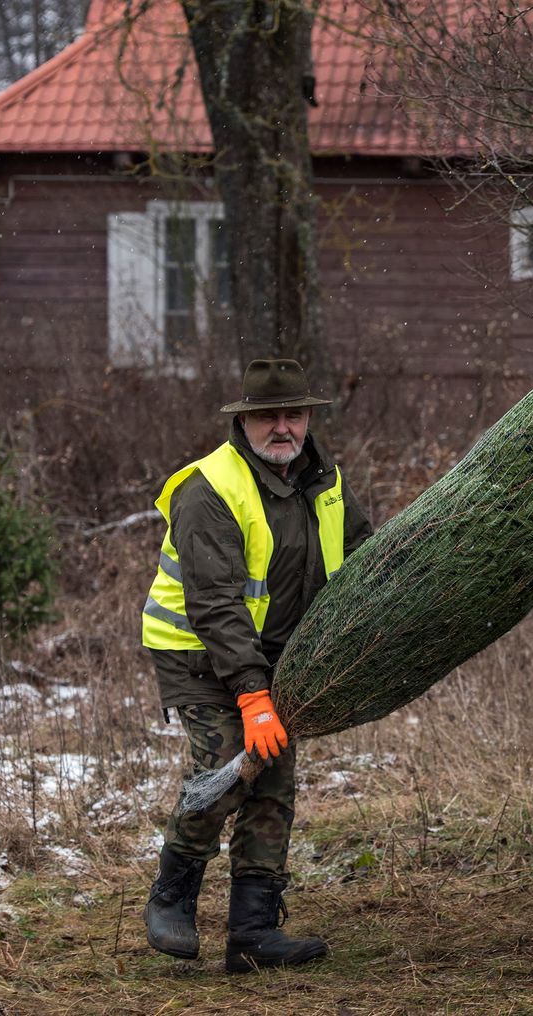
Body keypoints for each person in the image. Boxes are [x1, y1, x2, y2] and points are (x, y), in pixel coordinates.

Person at [140, 358, 373, 972]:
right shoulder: (208, 489)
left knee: (272, 784)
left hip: (277, 657)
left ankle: (253, 934)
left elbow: (365, 556)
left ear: (308, 420)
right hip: (198, 655)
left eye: (292, 415)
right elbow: (215, 603)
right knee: (225, 770)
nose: (282, 427)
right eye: (267, 416)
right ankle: (172, 896)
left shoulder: (324, 481)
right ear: (243, 421)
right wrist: (251, 694)